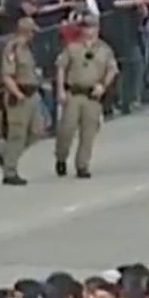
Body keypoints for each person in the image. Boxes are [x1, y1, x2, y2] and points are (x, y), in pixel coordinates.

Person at [55, 14, 117, 179]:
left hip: (92, 95)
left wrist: (103, 85)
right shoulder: (72, 47)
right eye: (86, 27)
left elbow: (112, 69)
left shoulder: (105, 50)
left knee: (88, 132)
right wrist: (60, 90)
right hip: (74, 92)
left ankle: (82, 165)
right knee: (66, 130)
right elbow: (61, 68)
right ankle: (61, 157)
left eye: (92, 27)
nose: (89, 31)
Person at [0, 15, 44, 186]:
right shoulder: (13, 48)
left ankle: (4, 152)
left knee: (37, 130)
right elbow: (7, 75)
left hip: (32, 92)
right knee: (17, 134)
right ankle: (10, 171)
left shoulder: (27, 49)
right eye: (32, 32)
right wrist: (17, 94)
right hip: (19, 94)